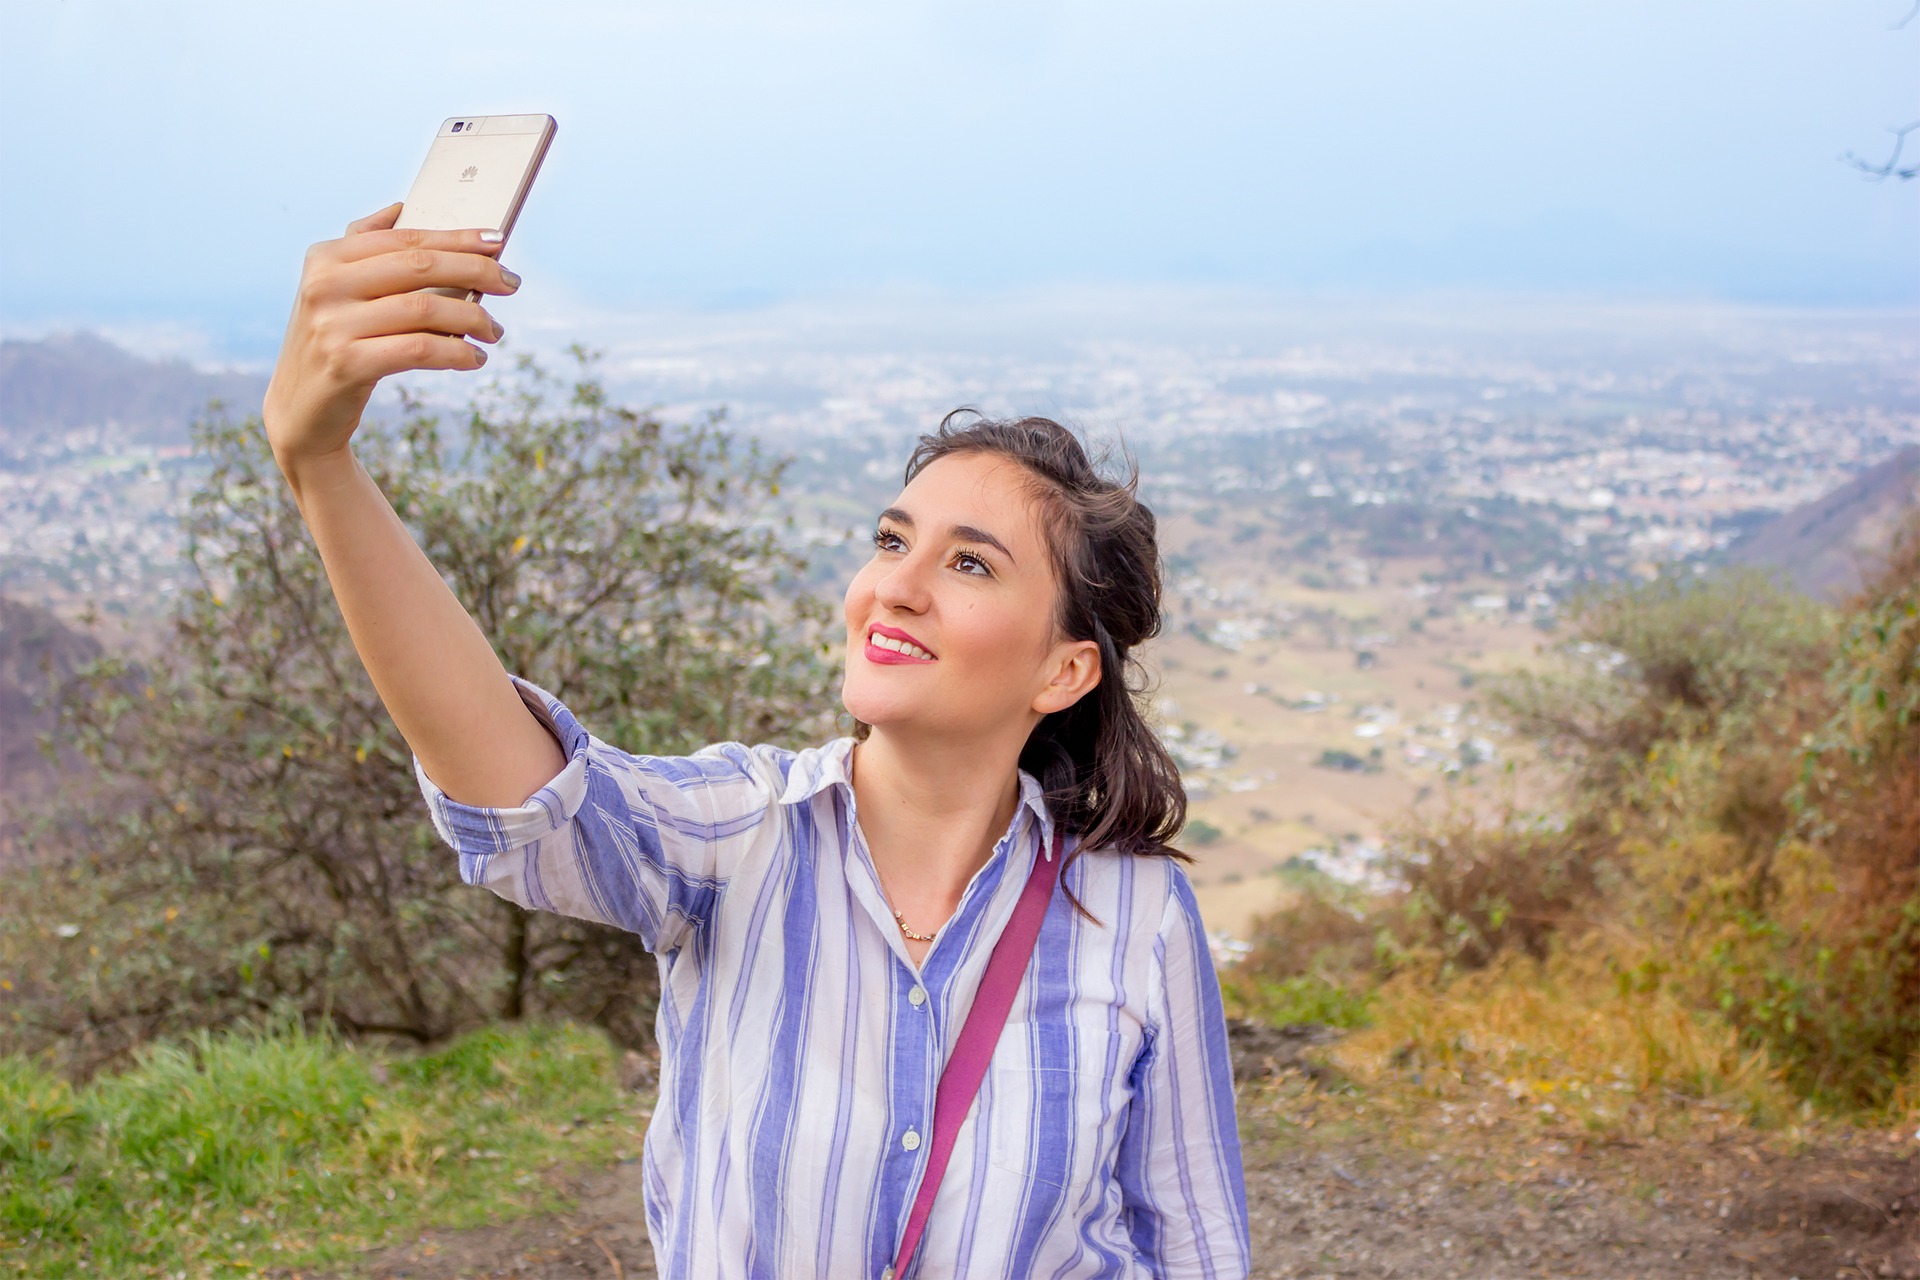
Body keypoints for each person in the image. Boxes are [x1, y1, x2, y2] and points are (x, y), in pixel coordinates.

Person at [263, 204, 1251, 1278]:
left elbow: (1191, 1248)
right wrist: (321, 462)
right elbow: (520, 795)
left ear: (1063, 669)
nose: (895, 586)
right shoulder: (739, 833)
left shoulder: (1138, 915)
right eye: (891, 539)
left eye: (969, 564)